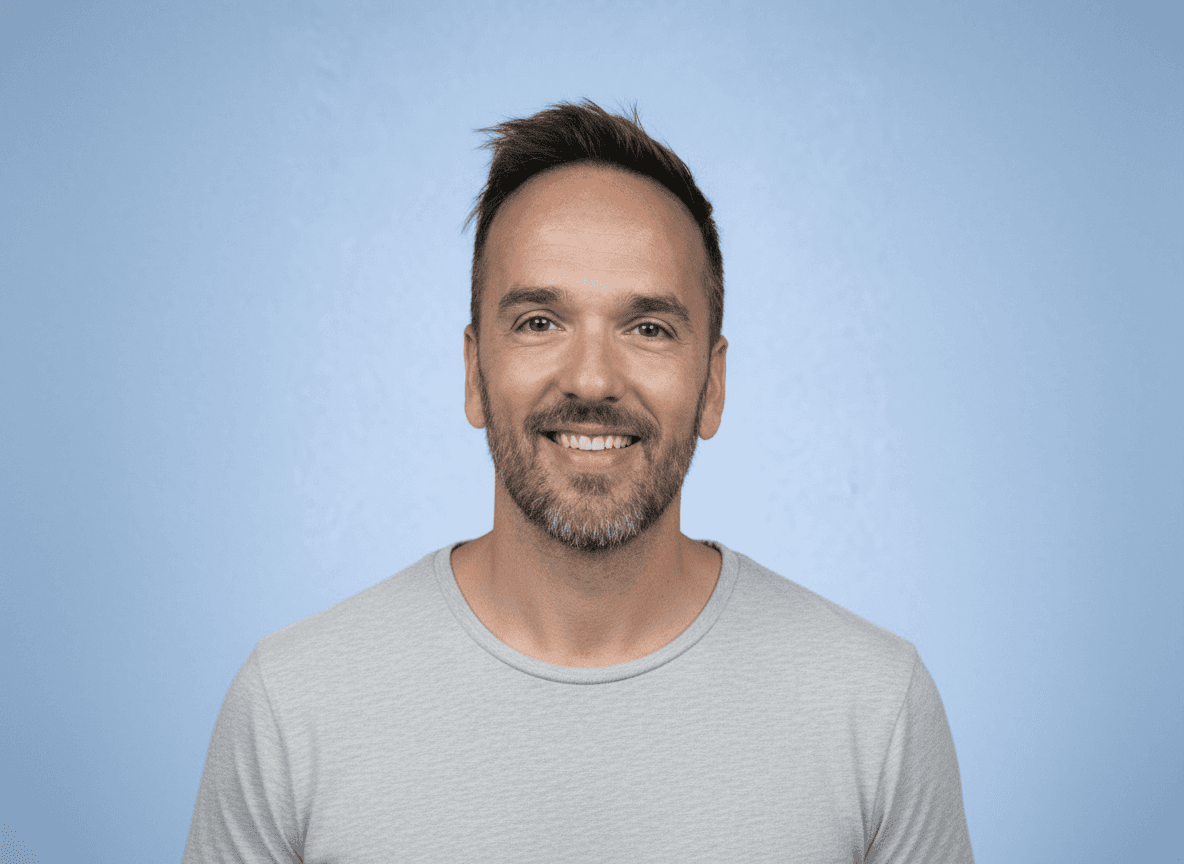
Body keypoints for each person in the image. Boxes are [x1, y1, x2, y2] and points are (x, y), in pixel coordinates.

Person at [183, 100, 974, 863]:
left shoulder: (874, 710)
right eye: (539, 321)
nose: (592, 377)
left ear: (714, 386)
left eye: (649, 327)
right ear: (473, 372)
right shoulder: (293, 706)